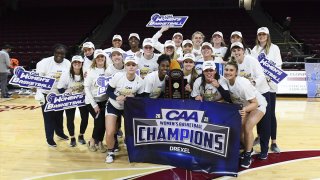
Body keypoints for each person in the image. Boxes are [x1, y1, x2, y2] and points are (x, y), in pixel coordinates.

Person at [219, 60, 267, 168]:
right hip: (244, 106)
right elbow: (225, 97)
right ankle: (249, 149)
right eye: (226, 70)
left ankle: (248, 155)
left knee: (247, 127)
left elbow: (255, 103)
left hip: (257, 105)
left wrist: (245, 109)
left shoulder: (242, 84)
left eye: (231, 70)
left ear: (236, 72)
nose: (228, 72)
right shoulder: (225, 81)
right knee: (239, 128)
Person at [231, 41, 271, 160]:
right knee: (244, 126)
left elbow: (261, 76)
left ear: (243, 51)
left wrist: (252, 83)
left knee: (263, 125)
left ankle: (264, 150)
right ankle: (248, 148)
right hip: (246, 98)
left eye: (239, 50)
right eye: (234, 50)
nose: (236, 52)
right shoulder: (233, 64)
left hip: (261, 93)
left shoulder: (251, 60)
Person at [105, 56, 144, 163]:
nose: (131, 67)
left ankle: (130, 146)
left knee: (131, 131)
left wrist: (134, 98)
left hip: (127, 108)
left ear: (137, 67)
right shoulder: (118, 76)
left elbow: (141, 99)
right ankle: (110, 152)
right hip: (113, 105)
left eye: (133, 65)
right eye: (128, 65)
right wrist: (116, 97)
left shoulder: (140, 81)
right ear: (125, 66)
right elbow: (108, 91)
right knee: (110, 132)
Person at [252, 27, 283, 153]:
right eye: (259, 34)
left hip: (270, 86)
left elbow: (278, 65)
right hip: (259, 87)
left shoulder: (274, 48)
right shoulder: (255, 49)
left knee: (270, 114)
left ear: (268, 35)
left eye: (264, 34)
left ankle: (273, 142)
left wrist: (268, 75)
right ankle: (260, 136)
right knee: (259, 112)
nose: (261, 36)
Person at [35, 44, 71, 147]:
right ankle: (49, 138)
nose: (59, 55)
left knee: (59, 116)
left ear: (65, 54)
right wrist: (39, 92)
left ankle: (59, 133)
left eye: (62, 53)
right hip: (47, 94)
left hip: (60, 94)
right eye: (57, 53)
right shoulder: (44, 63)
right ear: (54, 53)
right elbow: (38, 79)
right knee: (48, 117)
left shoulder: (67, 63)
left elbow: (69, 78)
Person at [57, 55, 89, 147]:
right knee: (70, 119)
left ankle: (81, 136)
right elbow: (60, 88)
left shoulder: (86, 73)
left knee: (85, 118)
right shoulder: (66, 73)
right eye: (75, 62)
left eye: (79, 62)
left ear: (82, 63)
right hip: (70, 99)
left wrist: (86, 90)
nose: (77, 64)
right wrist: (65, 91)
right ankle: (72, 138)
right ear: (72, 64)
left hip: (82, 99)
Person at [84, 49, 108, 153]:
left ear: (105, 58)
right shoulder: (90, 71)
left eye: (102, 57)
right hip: (91, 101)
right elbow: (86, 88)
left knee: (103, 122)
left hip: (104, 100)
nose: (100, 59)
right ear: (95, 59)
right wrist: (94, 104)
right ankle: (93, 141)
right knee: (100, 122)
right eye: (98, 57)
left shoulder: (108, 70)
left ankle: (99, 141)